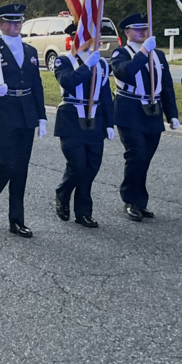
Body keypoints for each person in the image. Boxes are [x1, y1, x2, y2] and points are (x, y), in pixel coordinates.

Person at [0, 3, 46, 237]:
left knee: (21, 168)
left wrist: (42, 116)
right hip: (2, 113)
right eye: (10, 21)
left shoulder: (30, 51)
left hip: (26, 112)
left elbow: (37, 86)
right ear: (0, 24)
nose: (16, 25)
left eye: (19, 21)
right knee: (7, 163)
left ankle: (16, 220)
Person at [110, 13, 180, 221]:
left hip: (153, 110)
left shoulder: (157, 55)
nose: (142, 32)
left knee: (145, 158)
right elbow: (125, 72)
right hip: (130, 109)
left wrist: (172, 114)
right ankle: (130, 200)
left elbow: (166, 85)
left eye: (145, 28)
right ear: (127, 32)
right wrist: (143, 52)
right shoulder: (121, 53)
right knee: (137, 155)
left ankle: (140, 202)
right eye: (137, 29)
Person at [53, 25, 115, 229]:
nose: (90, 41)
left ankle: (83, 212)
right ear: (75, 38)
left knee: (91, 167)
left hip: (95, 119)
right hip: (71, 118)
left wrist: (110, 123)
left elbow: (105, 95)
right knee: (78, 165)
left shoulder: (102, 63)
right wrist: (87, 66)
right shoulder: (64, 60)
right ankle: (63, 193)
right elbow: (68, 82)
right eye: (85, 37)